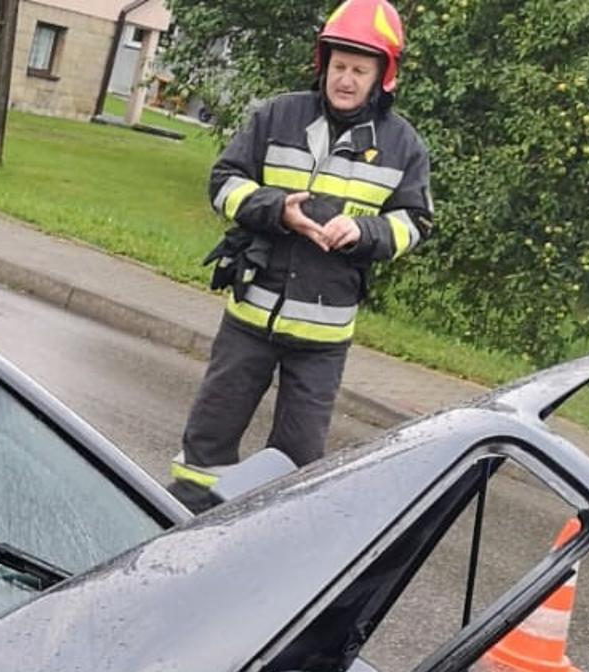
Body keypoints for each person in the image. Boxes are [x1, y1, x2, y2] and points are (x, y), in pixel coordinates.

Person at [172, 0, 435, 506]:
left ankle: (265, 553)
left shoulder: (405, 146)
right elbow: (224, 183)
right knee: (205, 447)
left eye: (360, 70)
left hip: (322, 337)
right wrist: (275, 209)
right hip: (250, 317)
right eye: (339, 66)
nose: (346, 79)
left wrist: (363, 232)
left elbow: (414, 224)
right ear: (324, 63)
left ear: (384, 75)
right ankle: (180, 525)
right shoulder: (277, 115)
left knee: (295, 465)